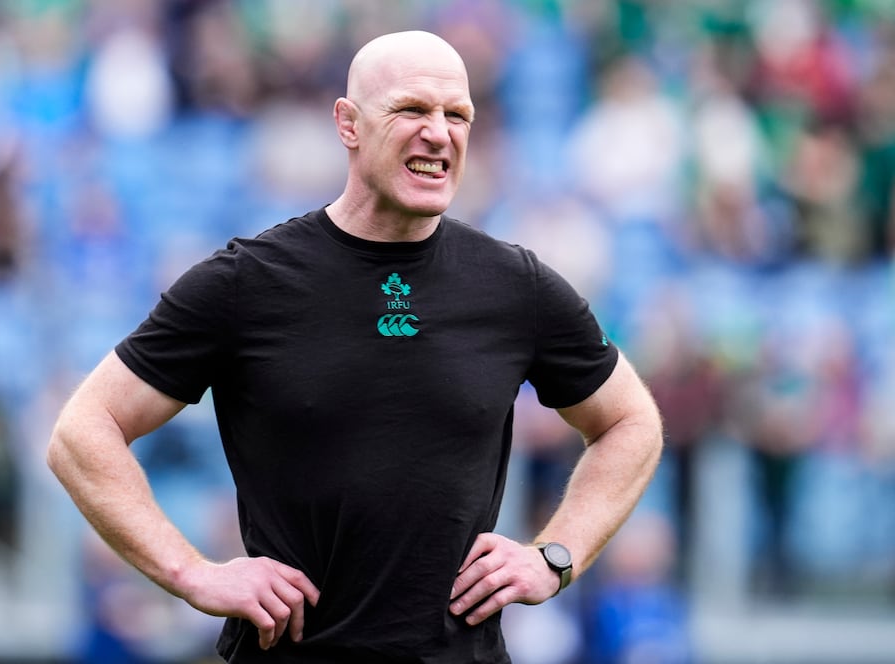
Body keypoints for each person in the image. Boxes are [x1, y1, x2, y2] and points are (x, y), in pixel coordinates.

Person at [47, 30, 663, 663]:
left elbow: (630, 422)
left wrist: (554, 556)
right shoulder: (247, 282)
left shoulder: (515, 286)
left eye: (458, 115)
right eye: (412, 110)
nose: (439, 132)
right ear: (348, 124)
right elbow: (82, 431)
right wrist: (190, 572)